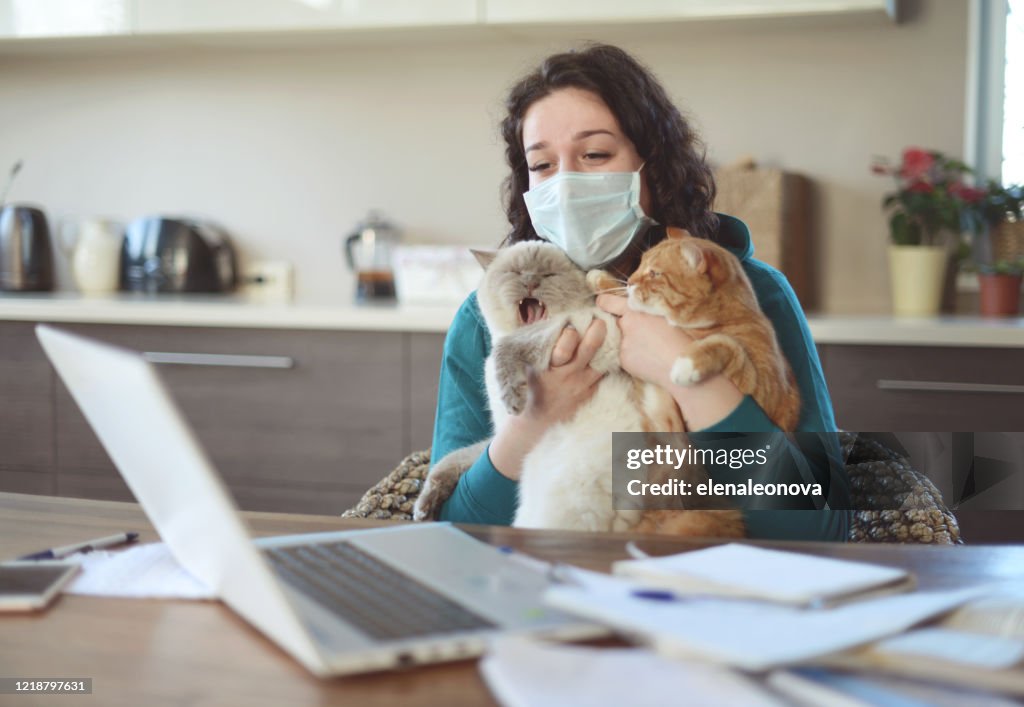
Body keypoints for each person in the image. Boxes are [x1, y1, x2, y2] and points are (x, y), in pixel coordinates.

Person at [430, 43, 851, 540]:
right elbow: (450, 534)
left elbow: (822, 531)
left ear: (653, 165)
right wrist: (534, 422)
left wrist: (688, 377)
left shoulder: (754, 295)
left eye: (595, 155)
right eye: (542, 165)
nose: (565, 184)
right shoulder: (494, 316)